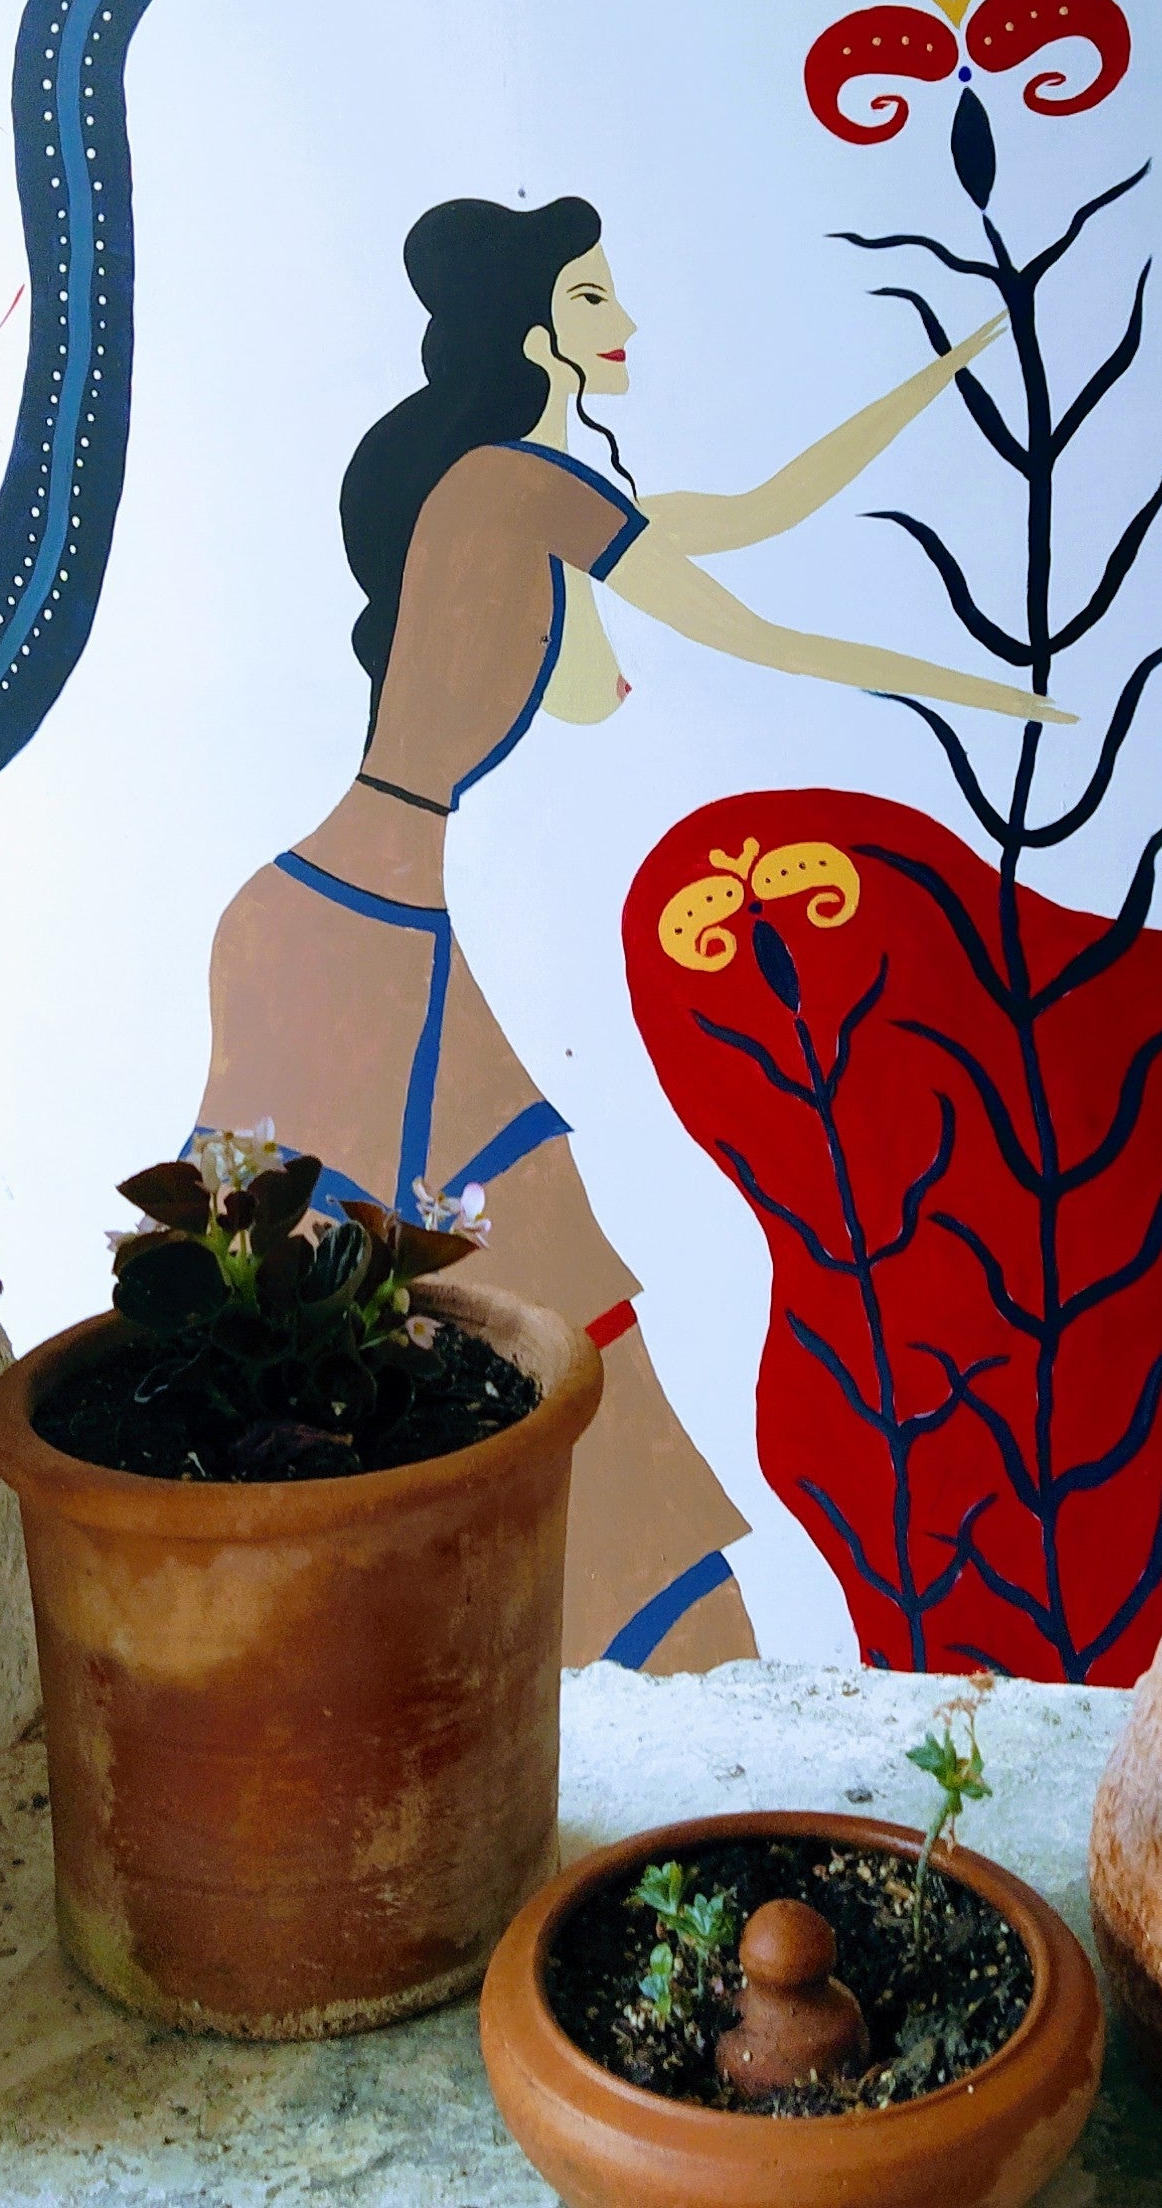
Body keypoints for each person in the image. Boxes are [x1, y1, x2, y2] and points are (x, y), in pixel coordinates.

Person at [196, 193, 1060, 1669]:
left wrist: (945, 370)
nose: (626, 325)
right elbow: (757, 603)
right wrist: (972, 688)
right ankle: (327, 1669)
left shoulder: (519, 494)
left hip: (379, 925)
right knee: (330, 1318)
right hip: (346, 936)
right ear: (534, 326)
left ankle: (662, 1664)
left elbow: (749, 525)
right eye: (595, 299)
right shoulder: (510, 486)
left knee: (533, 1289)